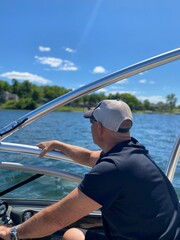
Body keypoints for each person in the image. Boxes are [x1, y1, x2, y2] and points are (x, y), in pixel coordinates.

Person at [0, 99, 180, 240]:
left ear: (99, 127)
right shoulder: (131, 151)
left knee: (71, 235)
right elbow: (88, 157)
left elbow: (56, 219)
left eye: (91, 122)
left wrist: (12, 233)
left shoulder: (112, 169)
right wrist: (58, 145)